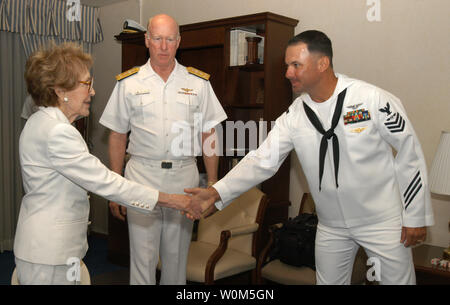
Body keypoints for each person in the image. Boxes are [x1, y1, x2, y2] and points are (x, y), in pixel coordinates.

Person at [186, 30, 434, 285]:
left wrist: (415, 216)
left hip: (381, 220)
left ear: (322, 63)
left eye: (296, 65)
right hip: (331, 225)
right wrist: (217, 192)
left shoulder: (372, 100)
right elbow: (261, 160)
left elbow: (410, 154)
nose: (287, 73)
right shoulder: (295, 115)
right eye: (287, 66)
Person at [14, 42, 200, 285]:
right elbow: (108, 183)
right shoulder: (57, 132)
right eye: (86, 84)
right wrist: (175, 199)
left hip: (49, 248)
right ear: (60, 90)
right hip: (50, 252)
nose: (92, 92)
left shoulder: (39, 121)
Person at [99, 14, 227, 285]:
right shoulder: (129, 83)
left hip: (185, 180)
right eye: (157, 38)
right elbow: (117, 136)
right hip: (141, 176)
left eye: (170, 39)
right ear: (147, 40)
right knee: (142, 259)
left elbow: (209, 134)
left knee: (177, 259)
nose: (164, 46)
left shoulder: (198, 82)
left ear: (179, 42)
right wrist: (115, 185)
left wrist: (213, 183)